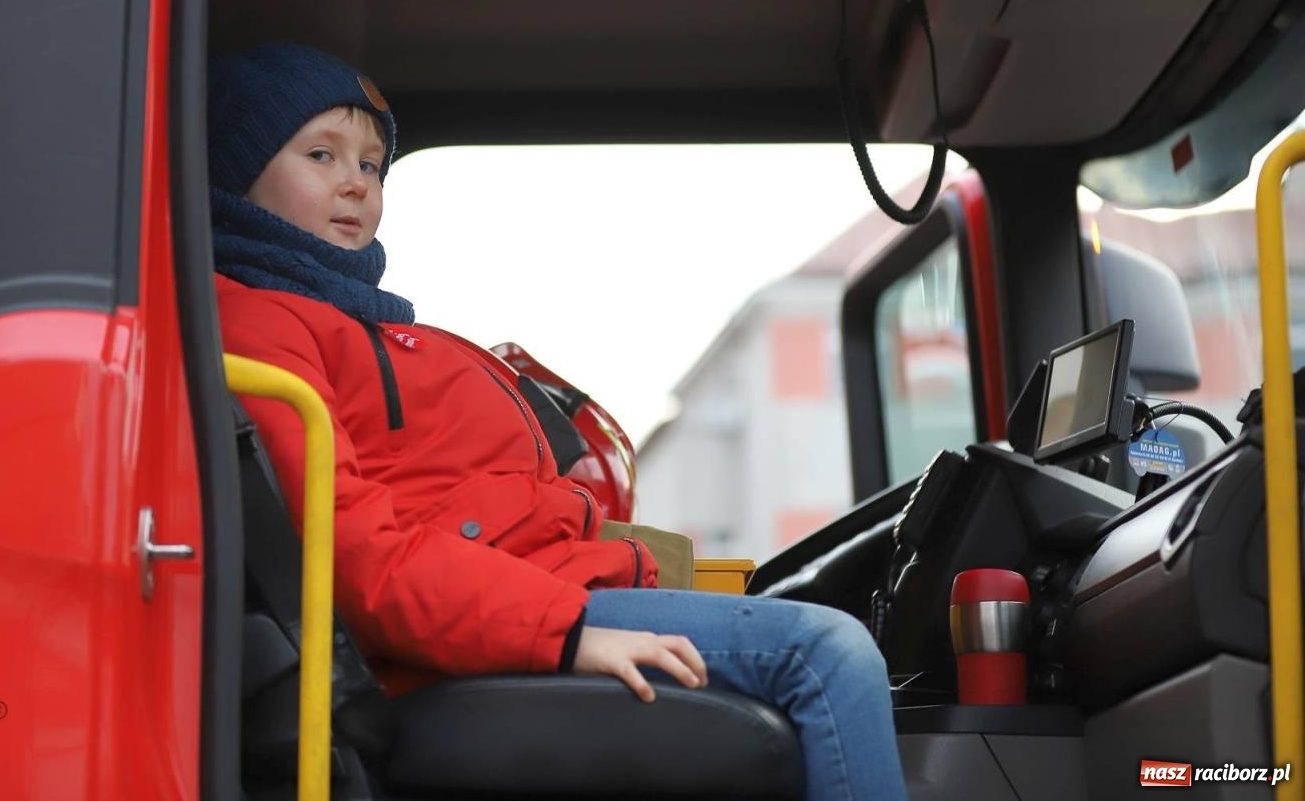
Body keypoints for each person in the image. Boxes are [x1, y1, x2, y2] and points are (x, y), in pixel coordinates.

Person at [210, 43, 908, 801]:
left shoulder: (369, 326)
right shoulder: (260, 324)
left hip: (541, 591)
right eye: (322, 154)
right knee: (829, 653)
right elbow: (356, 554)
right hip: (464, 639)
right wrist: (566, 632)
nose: (356, 183)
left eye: (373, 165)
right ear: (238, 170)